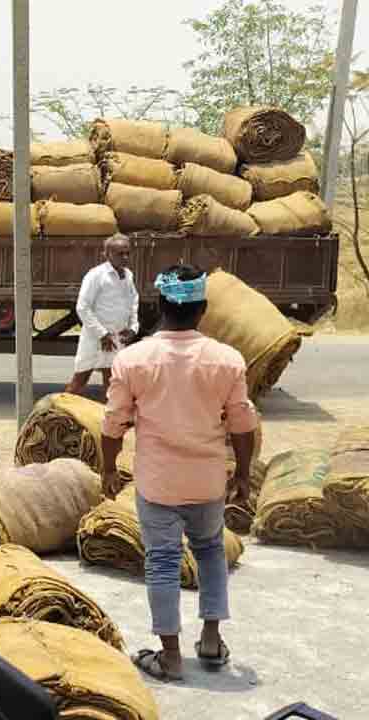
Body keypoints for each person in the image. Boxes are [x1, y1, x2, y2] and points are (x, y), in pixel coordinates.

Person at [100, 264, 258, 683]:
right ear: (202, 309)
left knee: (163, 562)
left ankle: (169, 657)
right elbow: (243, 426)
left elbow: (113, 422)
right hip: (207, 482)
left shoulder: (133, 359)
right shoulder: (227, 360)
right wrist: (242, 474)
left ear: (158, 305)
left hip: (158, 483)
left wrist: (107, 468)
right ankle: (210, 640)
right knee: (209, 552)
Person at [66, 233, 140, 396]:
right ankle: (56, 416)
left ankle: (110, 420)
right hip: (96, 337)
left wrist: (133, 328)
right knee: (79, 381)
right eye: (120, 254)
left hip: (117, 337)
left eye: (128, 253)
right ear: (107, 255)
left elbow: (133, 301)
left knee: (112, 384)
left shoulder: (128, 275)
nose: (125, 257)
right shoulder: (96, 275)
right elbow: (83, 307)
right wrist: (102, 334)